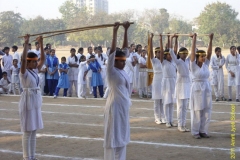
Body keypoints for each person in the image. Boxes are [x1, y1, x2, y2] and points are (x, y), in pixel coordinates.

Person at [104, 21, 131, 160]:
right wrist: (115, 32)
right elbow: (112, 53)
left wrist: (125, 30)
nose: (124, 63)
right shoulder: (112, 71)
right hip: (114, 106)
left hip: (123, 107)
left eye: (124, 61)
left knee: (122, 136)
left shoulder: (122, 70)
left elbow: (125, 49)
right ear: (114, 61)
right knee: (114, 136)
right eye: (121, 61)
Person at [19, 34, 45, 160]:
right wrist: (26, 43)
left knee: (34, 130)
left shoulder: (34, 71)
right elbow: (23, 60)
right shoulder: (23, 72)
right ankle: (26, 157)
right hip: (27, 100)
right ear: (28, 62)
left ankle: (32, 156)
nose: (36, 64)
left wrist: (41, 43)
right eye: (33, 62)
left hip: (35, 100)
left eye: (36, 62)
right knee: (27, 131)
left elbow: (43, 60)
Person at [189, 33, 214, 139]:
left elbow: (209, 52)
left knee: (207, 110)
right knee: (197, 110)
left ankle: (203, 130)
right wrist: (194, 39)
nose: (204, 58)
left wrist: (210, 39)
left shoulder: (206, 65)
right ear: (197, 57)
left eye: (204, 56)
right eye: (202, 56)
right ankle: (195, 131)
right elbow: (192, 52)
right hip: (197, 89)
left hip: (206, 88)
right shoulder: (193, 66)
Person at [169, 35, 191, 132]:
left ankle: (183, 124)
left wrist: (193, 38)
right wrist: (172, 39)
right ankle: (179, 125)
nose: (185, 55)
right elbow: (171, 51)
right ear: (179, 54)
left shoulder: (188, 61)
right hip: (180, 84)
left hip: (187, 84)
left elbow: (194, 51)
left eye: (186, 53)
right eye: (183, 53)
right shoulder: (177, 61)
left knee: (185, 106)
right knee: (180, 106)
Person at [160, 35, 177, 128]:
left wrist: (175, 39)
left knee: (172, 102)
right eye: (169, 54)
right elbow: (162, 52)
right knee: (167, 102)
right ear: (166, 56)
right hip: (166, 82)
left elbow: (174, 49)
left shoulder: (174, 62)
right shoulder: (163, 62)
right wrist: (162, 39)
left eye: (171, 54)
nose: (170, 56)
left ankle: (171, 120)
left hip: (173, 82)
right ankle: (167, 120)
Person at [150, 34, 165, 125]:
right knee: (157, 100)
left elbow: (164, 51)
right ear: (156, 53)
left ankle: (163, 117)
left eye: (161, 52)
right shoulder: (154, 60)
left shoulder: (163, 61)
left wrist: (160, 39)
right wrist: (151, 39)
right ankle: (157, 117)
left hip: (163, 80)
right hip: (156, 80)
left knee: (162, 100)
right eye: (158, 52)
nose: (160, 53)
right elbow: (150, 51)